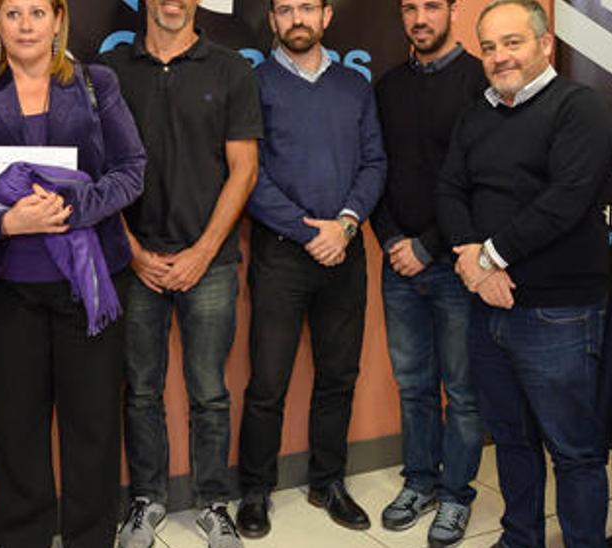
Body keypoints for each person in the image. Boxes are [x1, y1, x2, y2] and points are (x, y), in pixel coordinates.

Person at [0, 0, 146, 545]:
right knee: (15, 429)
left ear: (59, 19)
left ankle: (89, 538)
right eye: (13, 13)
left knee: (93, 425)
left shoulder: (95, 84)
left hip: (90, 285)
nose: (27, 25)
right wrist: (3, 222)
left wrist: (71, 208)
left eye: (38, 12)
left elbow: (132, 171)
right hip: (7, 286)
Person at [434, 1, 612, 546]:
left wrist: (486, 258)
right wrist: (470, 260)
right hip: (485, 308)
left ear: (546, 45)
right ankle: (520, 539)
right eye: (488, 47)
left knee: (574, 452)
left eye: (512, 43)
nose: (499, 57)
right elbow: (449, 189)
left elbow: (565, 201)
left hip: (557, 315)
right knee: (511, 442)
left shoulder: (582, 109)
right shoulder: (478, 113)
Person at [100, 1, 263, 547]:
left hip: (210, 263)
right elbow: (96, 171)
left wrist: (202, 250)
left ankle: (213, 502)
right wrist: (131, 251)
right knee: (141, 389)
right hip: (136, 261)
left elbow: (244, 170)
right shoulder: (113, 72)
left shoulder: (232, 69)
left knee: (210, 392)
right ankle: (147, 500)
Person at [234, 0, 386, 538]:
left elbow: (374, 163)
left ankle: (330, 482)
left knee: (338, 377)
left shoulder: (354, 86)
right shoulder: (253, 83)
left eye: (307, 7)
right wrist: (308, 230)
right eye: (285, 9)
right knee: (267, 383)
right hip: (280, 255)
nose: (296, 18)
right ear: (273, 20)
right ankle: (254, 491)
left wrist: (343, 226)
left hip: (343, 254)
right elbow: (248, 174)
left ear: (326, 15)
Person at [371, 0, 488, 545]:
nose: (421, 17)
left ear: (452, 11)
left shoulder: (478, 80)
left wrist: (428, 245)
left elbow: (482, 179)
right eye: (410, 7)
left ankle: (456, 496)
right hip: (400, 264)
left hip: (457, 262)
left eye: (432, 6)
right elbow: (376, 170)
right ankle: (419, 482)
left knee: (462, 391)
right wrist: (394, 240)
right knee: (414, 385)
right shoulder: (388, 86)